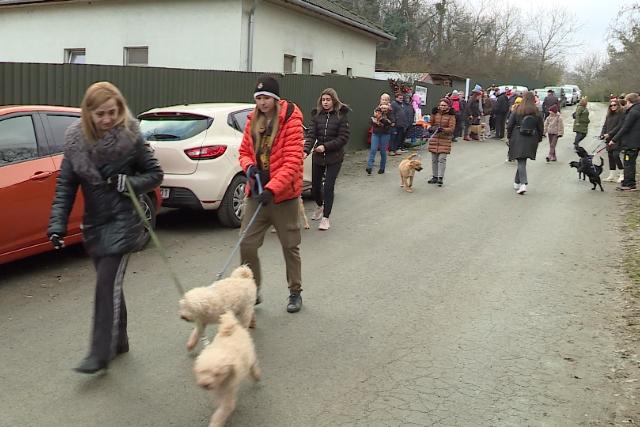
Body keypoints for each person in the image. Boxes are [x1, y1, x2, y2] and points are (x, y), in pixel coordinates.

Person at [47, 82, 163, 374]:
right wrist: (57, 226)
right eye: (101, 113)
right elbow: (65, 186)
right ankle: (120, 339)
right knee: (110, 285)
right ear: (88, 113)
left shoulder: (131, 137)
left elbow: (155, 174)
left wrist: (131, 183)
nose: (108, 119)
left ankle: (99, 354)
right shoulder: (76, 143)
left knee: (105, 285)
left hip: (124, 225)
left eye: (112, 112)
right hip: (94, 226)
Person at [238, 74, 305, 313]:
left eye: (266, 97)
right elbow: (244, 151)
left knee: (290, 245)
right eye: (258, 98)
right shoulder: (251, 120)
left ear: (275, 98)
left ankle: (295, 291)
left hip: (283, 195)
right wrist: (249, 167)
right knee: (246, 243)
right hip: (257, 193)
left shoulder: (291, 120)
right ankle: (251, 291)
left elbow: (293, 160)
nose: (262, 102)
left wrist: (273, 188)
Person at [303, 88, 350, 231]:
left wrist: (326, 146)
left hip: (334, 156)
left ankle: (325, 218)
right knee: (316, 187)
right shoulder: (317, 116)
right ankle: (320, 205)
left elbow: (343, 138)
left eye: (328, 100)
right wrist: (305, 150)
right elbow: (311, 135)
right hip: (318, 156)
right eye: (323, 100)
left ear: (333, 100)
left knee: (328, 186)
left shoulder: (341, 116)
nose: (325, 102)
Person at [507, 91, 544, 195]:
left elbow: (510, 124)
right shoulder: (536, 111)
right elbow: (541, 126)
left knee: (521, 160)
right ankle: (516, 182)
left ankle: (523, 183)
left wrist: (509, 137)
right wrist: (539, 138)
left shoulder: (518, 109)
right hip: (532, 137)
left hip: (518, 136)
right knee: (522, 160)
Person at [610, 93, 640, 191]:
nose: (625, 104)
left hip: (632, 142)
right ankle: (628, 182)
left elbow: (625, 128)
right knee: (629, 162)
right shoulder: (635, 110)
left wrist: (614, 139)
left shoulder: (633, 112)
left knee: (628, 163)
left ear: (629, 101)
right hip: (633, 142)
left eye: (626, 101)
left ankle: (629, 184)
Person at [427, 98, 456, 187]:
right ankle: (434, 176)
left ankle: (440, 177)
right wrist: (431, 128)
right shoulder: (435, 113)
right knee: (434, 160)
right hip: (435, 138)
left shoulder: (451, 116)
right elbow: (430, 123)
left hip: (445, 139)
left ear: (448, 106)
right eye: (441, 105)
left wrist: (443, 129)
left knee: (442, 159)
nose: (442, 107)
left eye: (444, 105)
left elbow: (451, 128)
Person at [600, 98, 625, 182]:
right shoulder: (609, 115)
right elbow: (605, 126)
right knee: (610, 156)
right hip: (608, 139)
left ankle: (622, 174)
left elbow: (619, 126)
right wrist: (602, 134)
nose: (613, 107)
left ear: (618, 105)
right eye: (611, 105)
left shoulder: (621, 114)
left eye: (614, 105)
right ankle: (612, 175)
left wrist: (609, 134)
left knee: (616, 155)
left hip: (617, 138)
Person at [367, 103, 393, 175]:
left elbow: (390, 123)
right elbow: (371, 121)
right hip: (376, 133)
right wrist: (375, 121)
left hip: (385, 134)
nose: (383, 108)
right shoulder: (376, 111)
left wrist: (381, 120)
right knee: (373, 149)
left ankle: (382, 168)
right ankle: (369, 166)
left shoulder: (390, 113)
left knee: (383, 151)